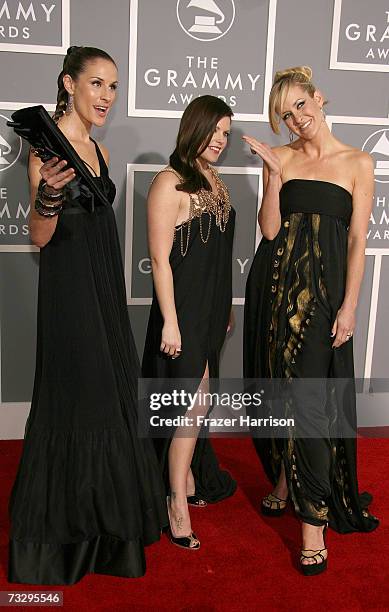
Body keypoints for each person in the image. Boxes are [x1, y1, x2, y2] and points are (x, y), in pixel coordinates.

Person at [8, 46, 167, 585]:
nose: (106, 96)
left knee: (111, 399)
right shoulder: (45, 149)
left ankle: (108, 537)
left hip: (104, 288)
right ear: (68, 84)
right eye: (96, 84)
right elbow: (38, 237)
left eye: (114, 86)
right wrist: (48, 198)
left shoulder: (96, 149)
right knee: (79, 399)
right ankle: (65, 541)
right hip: (68, 292)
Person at [243, 66, 379, 575]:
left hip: (323, 300)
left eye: (301, 105)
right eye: (285, 114)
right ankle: (283, 476)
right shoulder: (278, 159)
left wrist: (349, 306)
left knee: (311, 406)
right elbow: (271, 230)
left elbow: (357, 241)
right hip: (275, 293)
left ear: (319, 98)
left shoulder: (357, 162)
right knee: (279, 393)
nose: (296, 119)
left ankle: (312, 523)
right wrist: (275, 177)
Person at [142, 95, 237, 550]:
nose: (221, 140)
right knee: (187, 405)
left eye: (226, 134)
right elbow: (160, 261)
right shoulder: (169, 182)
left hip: (210, 311)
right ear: (193, 127)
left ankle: (186, 481)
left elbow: (216, 255)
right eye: (215, 131)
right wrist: (170, 323)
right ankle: (175, 500)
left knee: (199, 402)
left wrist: (226, 306)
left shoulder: (215, 181)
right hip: (181, 314)